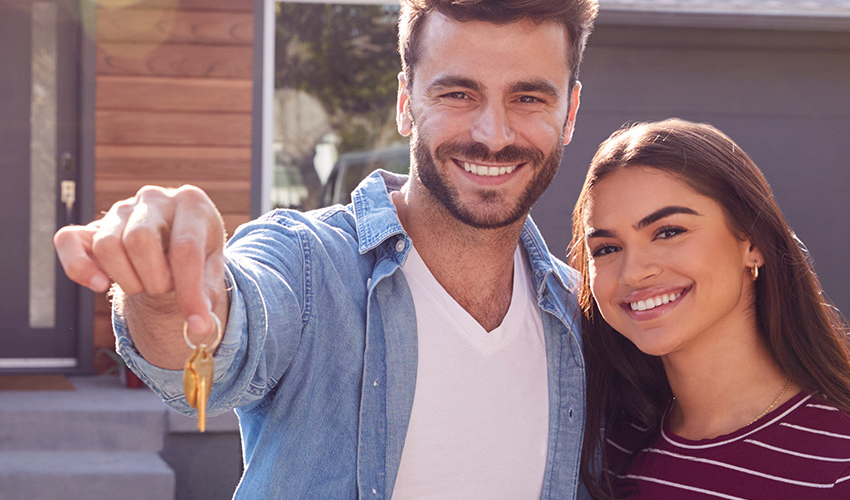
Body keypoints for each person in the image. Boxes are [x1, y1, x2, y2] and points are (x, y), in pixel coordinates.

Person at [54, 0, 598, 497]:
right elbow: (223, 341)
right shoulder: (307, 262)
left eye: (528, 97)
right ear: (406, 102)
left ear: (569, 113)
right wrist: (169, 293)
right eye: (458, 93)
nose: (493, 134)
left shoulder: (585, 316)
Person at [570, 119, 850, 499]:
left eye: (669, 232)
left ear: (752, 242)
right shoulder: (606, 455)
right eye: (607, 249)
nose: (634, 272)